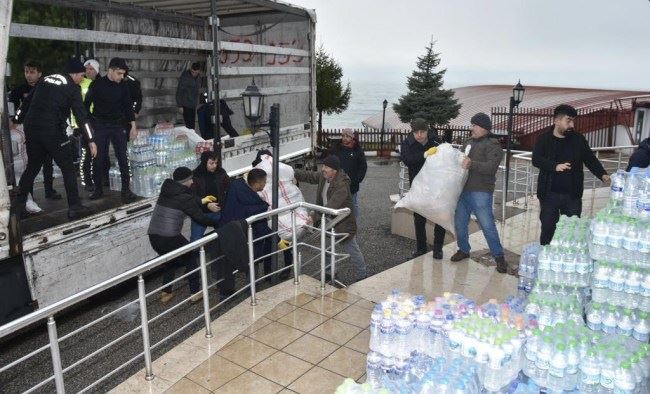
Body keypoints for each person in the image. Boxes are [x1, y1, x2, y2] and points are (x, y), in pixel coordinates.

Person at [13, 58, 97, 220]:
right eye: (81, 75)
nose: (82, 78)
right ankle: (74, 207)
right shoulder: (72, 88)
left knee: (32, 167)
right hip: (51, 130)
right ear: (74, 74)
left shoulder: (45, 79)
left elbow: (26, 102)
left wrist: (16, 119)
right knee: (67, 168)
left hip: (32, 128)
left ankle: (18, 207)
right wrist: (91, 139)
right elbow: (82, 116)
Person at [532, 104, 610, 245]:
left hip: (572, 196)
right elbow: (536, 159)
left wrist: (603, 175)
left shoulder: (578, 139)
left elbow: (590, 159)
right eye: (568, 120)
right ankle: (545, 259)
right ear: (557, 121)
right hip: (549, 196)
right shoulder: (543, 139)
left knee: (572, 231)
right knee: (548, 230)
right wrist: (555, 166)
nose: (572, 124)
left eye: (573, 121)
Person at [147, 167, 221, 305]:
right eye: (190, 179)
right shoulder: (183, 197)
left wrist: (202, 201)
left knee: (171, 261)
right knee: (191, 258)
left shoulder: (167, 190)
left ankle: (166, 292)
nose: (192, 181)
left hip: (154, 235)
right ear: (185, 181)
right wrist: (219, 220)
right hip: (169, 237)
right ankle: (195, 293)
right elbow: (200, 218)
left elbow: (187, 200)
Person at [294, 155, 368, 282]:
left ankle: (363, 275)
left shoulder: (342, 185)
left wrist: (313, 216)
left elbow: (331, 205)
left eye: (326, 167)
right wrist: (291, 172)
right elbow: (309, 176)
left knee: (352, 249)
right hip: (327, 220)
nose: (323, 169)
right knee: (327, 248)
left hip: (342, 223)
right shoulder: (325, 177)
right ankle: (329, 272)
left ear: (334, 170)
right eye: (322, 166)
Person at [451, 113, 509, 273]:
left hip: (481, 191)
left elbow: (491, 168)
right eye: (471, 125)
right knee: (460, 223)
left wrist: (472, 164)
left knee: (487, 225)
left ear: (483, 127)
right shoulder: (467, 142)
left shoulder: (493, 145)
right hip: (463, 190)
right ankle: (463, 249)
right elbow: (459, 162)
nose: (471, 128)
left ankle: (499, 257)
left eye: (474, 125)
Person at [84, 57, 138, 203]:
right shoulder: (96, 85)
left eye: (123, 74)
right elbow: (85, 106)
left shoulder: (123, 86)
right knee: (98, 158)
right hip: (100, 125)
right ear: (111, 70)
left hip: (117, 125)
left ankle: (126, 190)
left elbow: (128, 106)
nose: (122, 77)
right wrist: (91, 121)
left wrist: (133, 125)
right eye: (119, 73)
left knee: (122, 157)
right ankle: (98, 189)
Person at [9, 60, 60, 201]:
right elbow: (12, 111)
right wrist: (14, 122)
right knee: (30, 165)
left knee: (48, 162)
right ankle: (29, 195)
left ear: (39, 73)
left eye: (32, 72)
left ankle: (49, 190)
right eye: (26, 72)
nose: (28, 75)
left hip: (45, 129)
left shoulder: (47, 88)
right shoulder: (18, 90)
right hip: (26, 131)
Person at [400, 118, 446, 260]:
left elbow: (444, 160)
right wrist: (425, 154)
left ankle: (438, 249)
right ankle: (421, 248)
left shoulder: (436, 142)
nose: (419, 135)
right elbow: (407, 159)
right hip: (418, 186)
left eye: (422, 132)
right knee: (419, 218)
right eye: (416, 132)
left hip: (436, 185)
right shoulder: (407, 143)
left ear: (427, 131)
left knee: (440, 217)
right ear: (412, 132)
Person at [190, 151, 230, 242]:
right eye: (211, 163)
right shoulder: (196, 175)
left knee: (226, 236)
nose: (214, 166)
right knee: (195, 241)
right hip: (200, 214)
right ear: (204, 162)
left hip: (219, 212)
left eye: (216, 163)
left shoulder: (220, 172)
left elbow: (229, 187)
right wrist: (206, 205)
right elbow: (191, 196)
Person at [329, 128, 367, 218]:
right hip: (337, 183)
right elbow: (330, 162)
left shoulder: (357, 150)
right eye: (343, 136)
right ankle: (336, 226)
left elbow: (363, 167)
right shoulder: (336, 148)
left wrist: (357, 180)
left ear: (352, 138)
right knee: (336, 204)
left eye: (347, 136)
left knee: (353, 205)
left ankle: (353, 226)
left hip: (352, 184)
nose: (344, 138)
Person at [75, 59, 100, 191]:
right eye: (87, 69)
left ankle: (98, 178)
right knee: (86, 153)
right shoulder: (80, 83)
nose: (88, 71)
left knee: (99, 152)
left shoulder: (100, 83)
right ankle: (86, 181)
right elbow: (77, 108)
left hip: (99, 123)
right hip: (85, 123)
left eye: (91, 69)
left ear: (97, 71)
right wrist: (77, 126)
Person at [176, 62, 201, 130]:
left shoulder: (198, 77)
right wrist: (180, 106)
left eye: (195, 72)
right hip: (186, 105)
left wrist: (197, 103)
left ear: (198, 71)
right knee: (189, 126)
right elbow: (179, 91)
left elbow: (197, 91)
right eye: (192, 72)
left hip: (193, 105)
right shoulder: (185, 76)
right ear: (190, 69)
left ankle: (192, 139)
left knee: (192, 126)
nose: (193, 74)